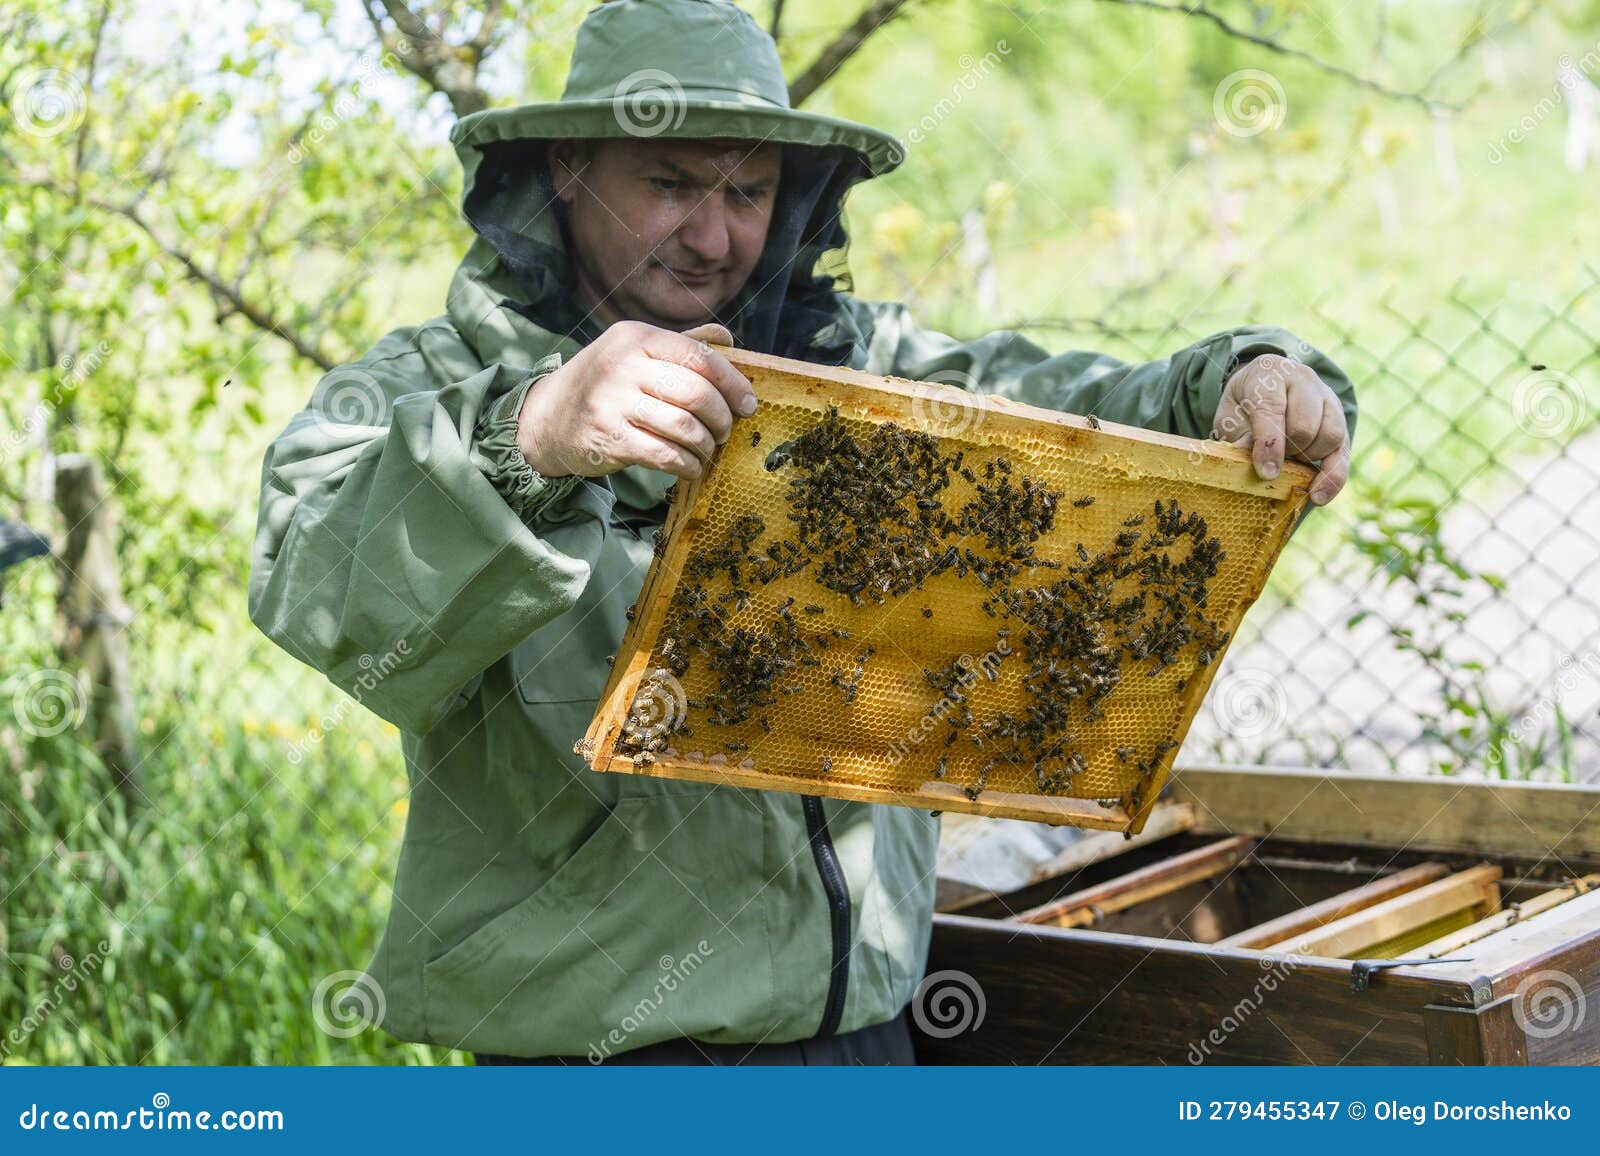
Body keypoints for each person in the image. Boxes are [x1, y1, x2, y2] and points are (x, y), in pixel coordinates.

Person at [247, 0, 1355, 1065]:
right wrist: (528, 434)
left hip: (867, 1033)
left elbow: (1089, 408)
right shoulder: (428, 383)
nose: (715, 233)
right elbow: (315, 589)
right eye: (671, 183)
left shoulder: (860, 367)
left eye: (749, 191)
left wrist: (1245, 379)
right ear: (564, 173)